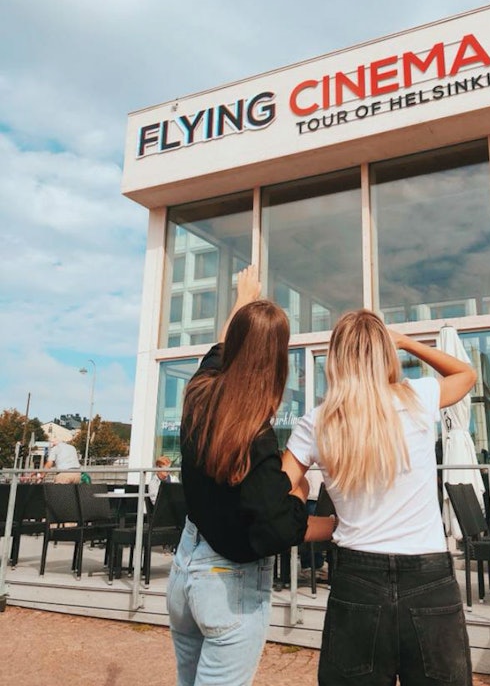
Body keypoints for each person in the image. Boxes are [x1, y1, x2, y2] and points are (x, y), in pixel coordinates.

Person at [282, 309, 477, 686]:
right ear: (385, 354)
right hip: (428, 576)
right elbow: (466, 374)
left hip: (356, 577)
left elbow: (272, 501)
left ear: (335, 359)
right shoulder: (418, 396)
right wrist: (406, 342)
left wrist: (325, 524)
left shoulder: (317, 422)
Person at [167, 265, 334, 686]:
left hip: (185, 568)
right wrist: (309, 502)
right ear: (277, 361)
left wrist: (244, 298)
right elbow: (277, 527)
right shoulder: (255, 437)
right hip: (226, 586)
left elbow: (220, 348)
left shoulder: (198, 393)